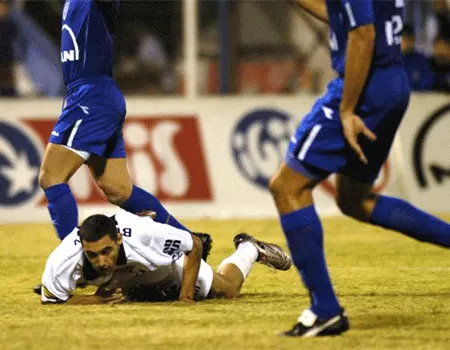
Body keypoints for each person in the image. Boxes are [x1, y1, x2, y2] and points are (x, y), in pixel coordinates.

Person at [270, 0, 450, 337]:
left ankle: (325, 311)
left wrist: (347, 108)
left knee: (287, 187)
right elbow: (338, 11)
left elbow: (363, 34)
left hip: (365, 86)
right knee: (356, 200)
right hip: (390, 83)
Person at [38, 0, 188, 243]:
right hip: (93, 96)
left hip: (92, 96)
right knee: (118, 189)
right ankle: (189, 240)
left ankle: (75, 261)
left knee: (51, 176)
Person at [40, 211, 292, 305]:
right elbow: (52, 299)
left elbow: (193, 244)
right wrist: (94, 299)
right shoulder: (64, 257)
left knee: (227, 290)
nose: (101, 261)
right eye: (92, 255)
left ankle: (250, 248)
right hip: (136, 281)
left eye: (106, 251)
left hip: (170, 267)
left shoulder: (144, 234)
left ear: (118, 239)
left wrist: (185, 297)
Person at [401, 25, 435, 91]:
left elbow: (428, 81)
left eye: (409, 39)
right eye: (403, 39)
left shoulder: (422, 59)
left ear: (414, 39)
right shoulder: (390, 60)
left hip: (419, 98)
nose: (406, 43)